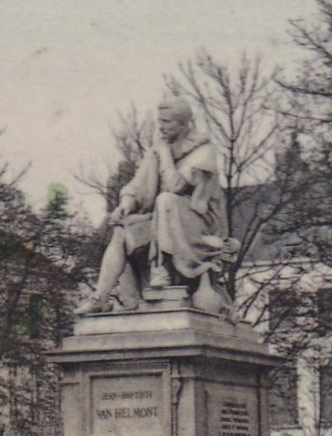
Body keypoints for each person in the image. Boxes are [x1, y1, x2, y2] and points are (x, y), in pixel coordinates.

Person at [76, 97, 239, 316]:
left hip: (199, 227)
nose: (161, 127)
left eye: (167, 121)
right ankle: (100, 297)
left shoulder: (203, 151)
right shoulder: (159, 149)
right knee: (123, 231)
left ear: (184, 125)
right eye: (159, 121)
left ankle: (162, 270)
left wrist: (163, 154)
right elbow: (138, 184)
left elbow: (176, 187)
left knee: (166, 200)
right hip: (161, 223)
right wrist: (127, 202)